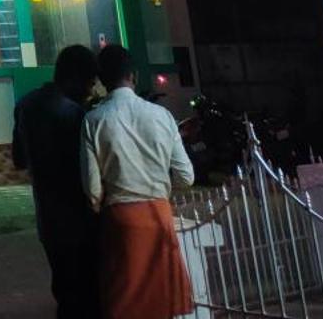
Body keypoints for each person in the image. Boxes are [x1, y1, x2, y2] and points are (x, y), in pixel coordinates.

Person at [81, 43, 194, 319]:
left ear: (102, 81)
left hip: (121, 219)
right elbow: (186, 177)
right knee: (164, 300)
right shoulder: (162, 116)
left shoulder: (93, 120)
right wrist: (158, 187)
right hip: (159, 214)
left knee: (125, 300)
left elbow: (93, 189)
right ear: (133, 76)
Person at [12, 43, 101, 319]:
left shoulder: (25, 104)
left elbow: (19, 159)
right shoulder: (77, 114)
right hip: (82, 217)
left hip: (48, 219)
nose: (91, 89)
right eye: (90, 81)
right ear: (76, 78)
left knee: (64, 291)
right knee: (88, 293)